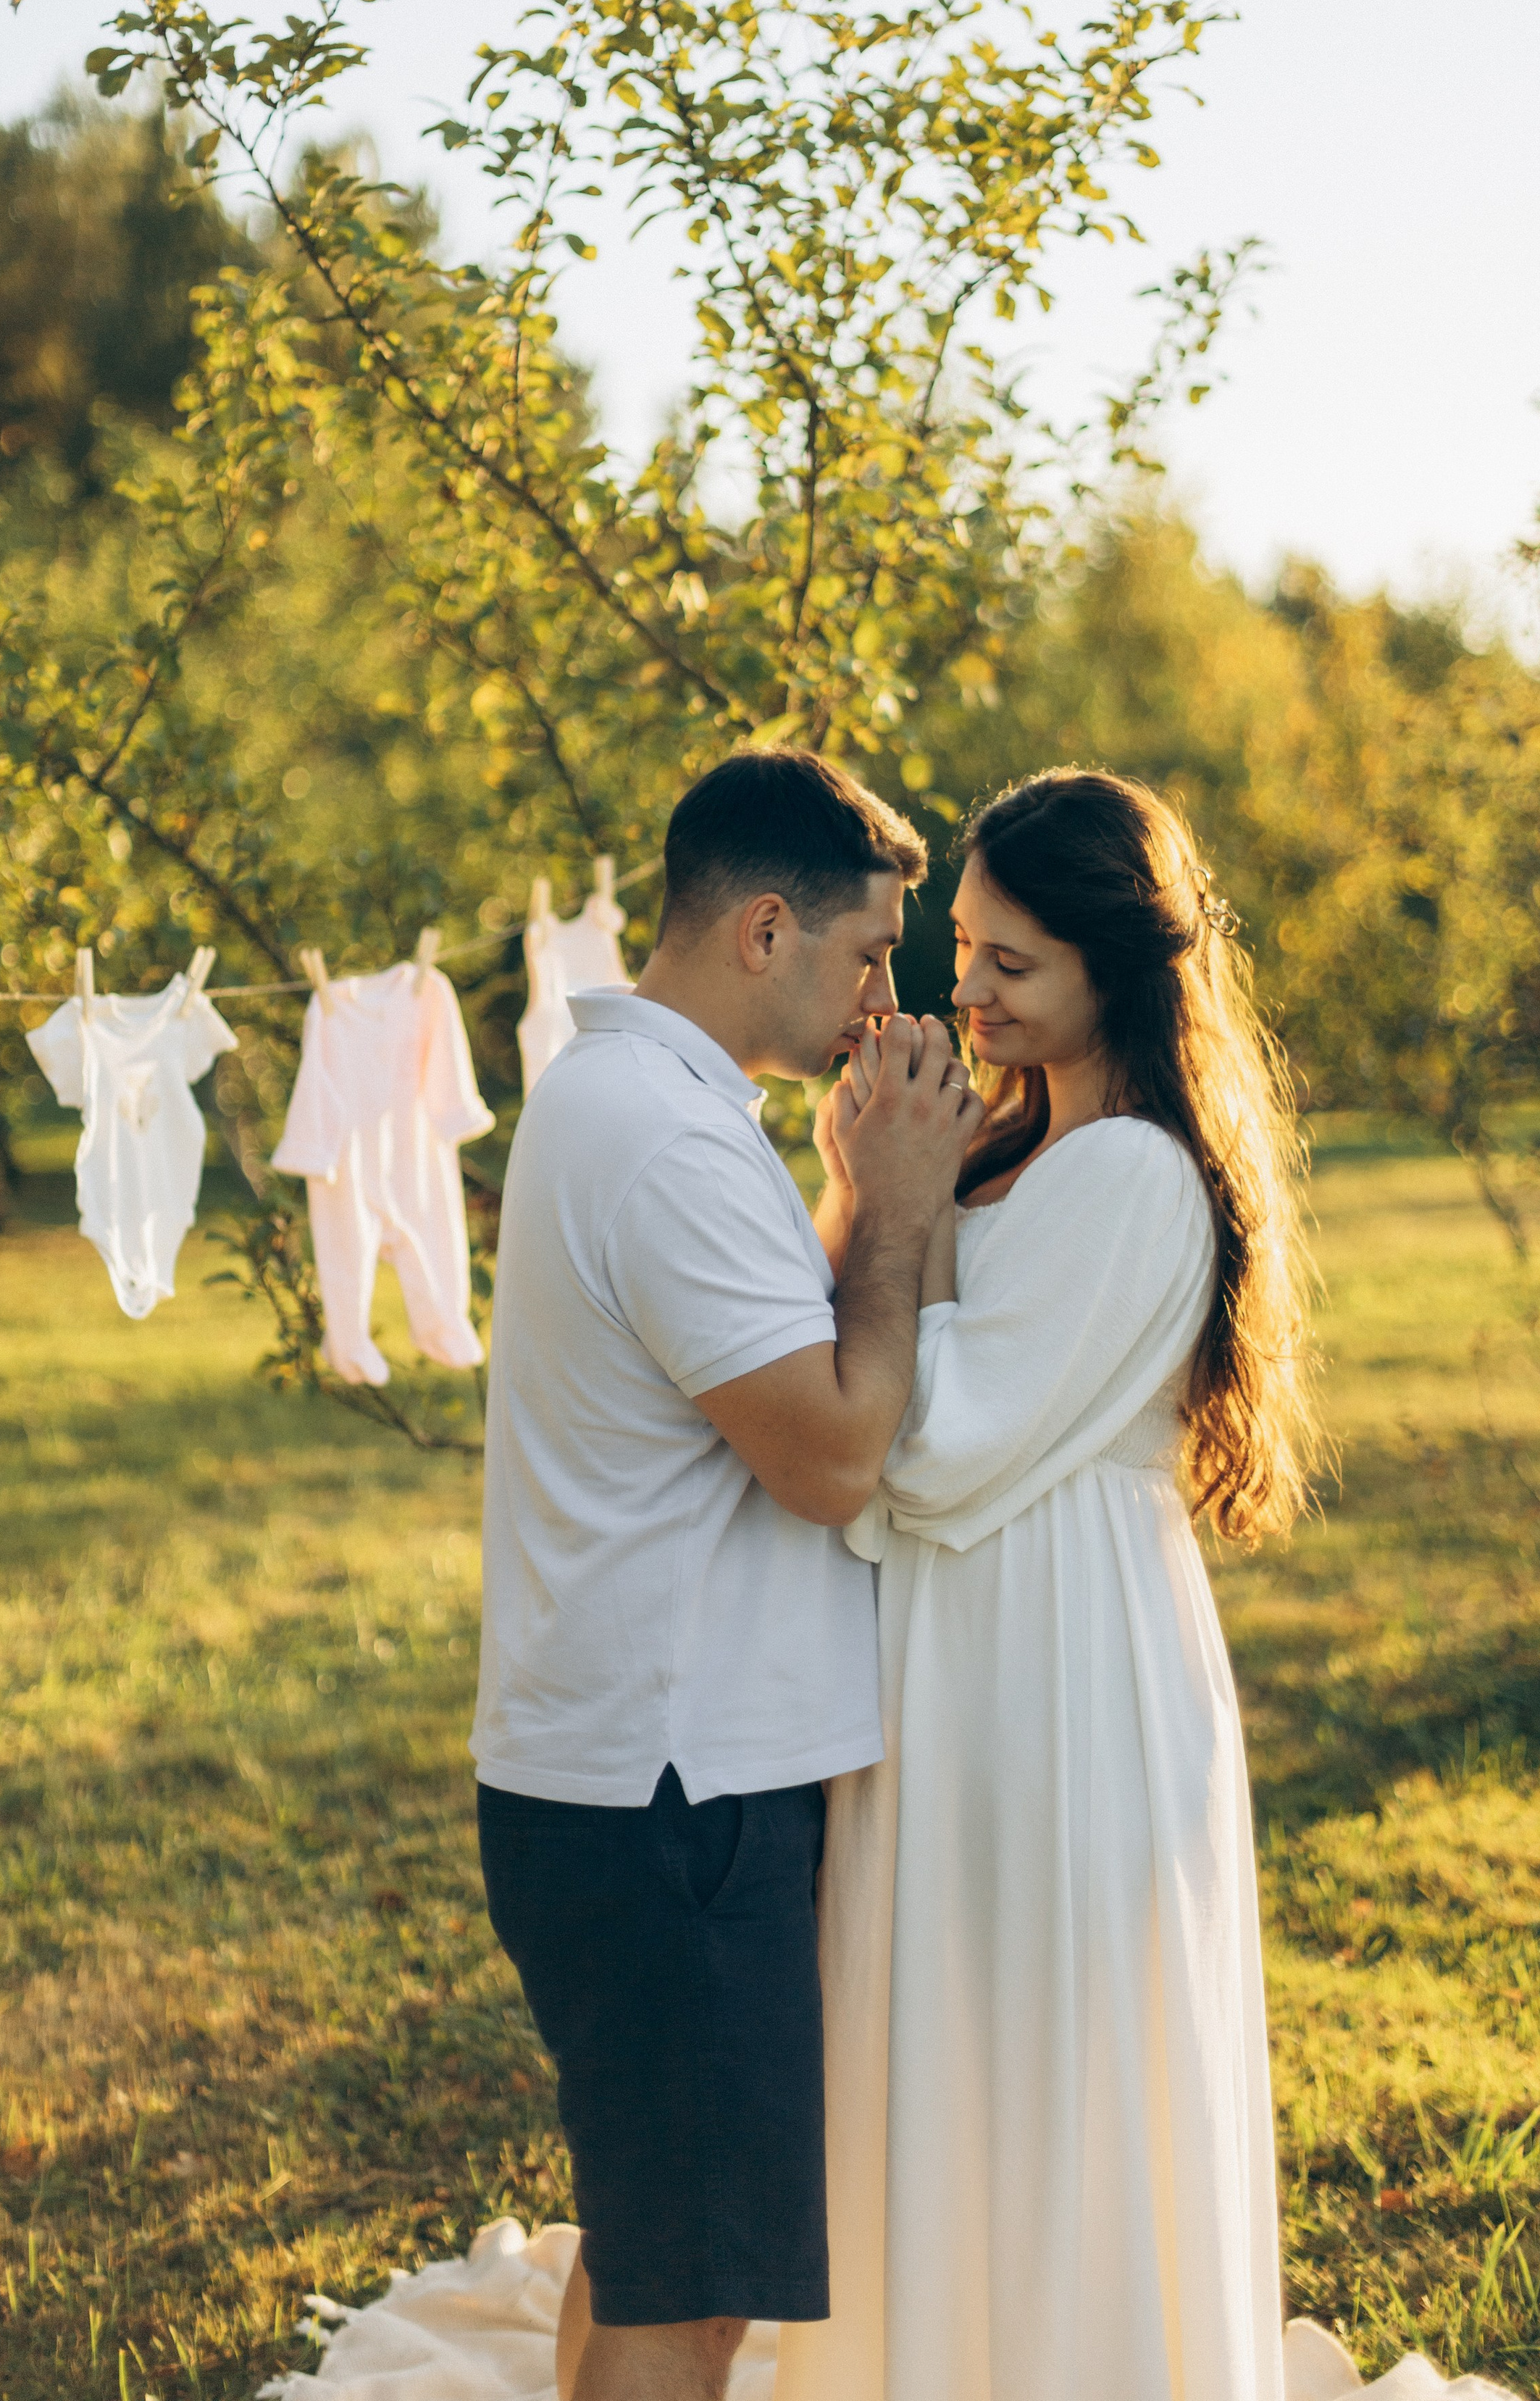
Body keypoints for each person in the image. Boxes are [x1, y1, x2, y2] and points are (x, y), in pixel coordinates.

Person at [775, 767, 1320, 2401]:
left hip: (1056, 1658)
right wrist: (879, 1184)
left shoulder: (1135, 1178)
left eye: (1011, 963)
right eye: (960, 948)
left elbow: (929, 1440)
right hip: (947, 1647)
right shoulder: (1014, 1150)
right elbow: (866, 1371)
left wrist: (896, 1204)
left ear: (1114, 963)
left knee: (1043, 2035)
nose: (966, 991)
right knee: (935, 2032)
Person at [470, 749, 982, 2401]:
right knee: (689, 2305)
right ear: (765, 927)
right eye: (867, 952)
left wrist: (841, 1197)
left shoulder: (630, 1099)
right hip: (668, 1799)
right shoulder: (672, 1145)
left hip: (624, 1775)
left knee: (654, 2250)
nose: (880, 995)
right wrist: (891, 1205)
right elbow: (833, 1453)